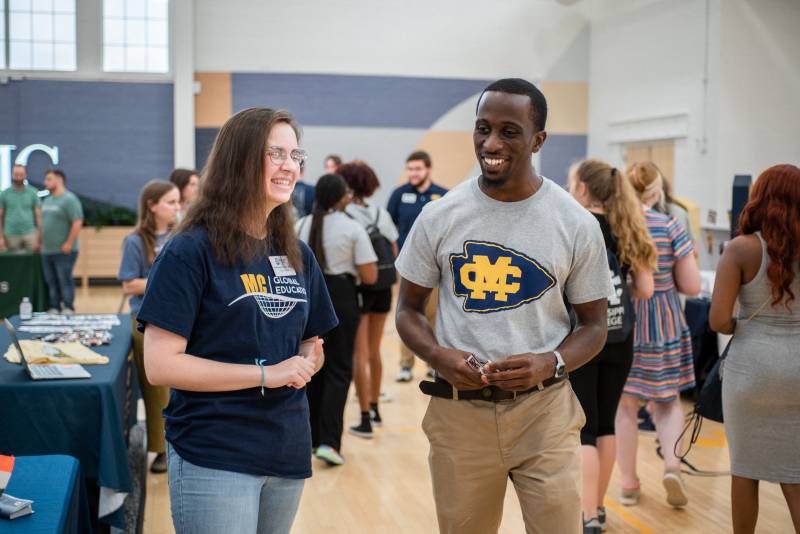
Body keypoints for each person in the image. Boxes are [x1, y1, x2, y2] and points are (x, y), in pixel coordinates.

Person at [396, 78, 611, 534]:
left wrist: (550, 362)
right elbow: (408, 310)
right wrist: (437, 355)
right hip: (459, 416)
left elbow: (594, 325)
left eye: (509, 131)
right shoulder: (440, 215)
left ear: (538, 140)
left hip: (545, 413)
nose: (491, 143)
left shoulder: (575, 222)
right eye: (482, 128)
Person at [137, 108, 338, 534]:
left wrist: (306, 359)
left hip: (285, 448)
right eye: (275, 153)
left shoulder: (297, 253)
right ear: (239, 160)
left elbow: (311, 345)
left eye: (295, 155)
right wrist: (266, 373)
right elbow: (160, 366)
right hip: (215, 450)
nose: (290, 165)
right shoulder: (189, 251)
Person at [709, 164, 800, 534]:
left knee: (744, 470)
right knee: (795, 472)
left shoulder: (741, 249)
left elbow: (718, 320)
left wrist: (743, 326)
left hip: (753, 370)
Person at [567, 159, 656, 533]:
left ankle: (586, 516)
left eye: (572, 183)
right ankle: (598, 507)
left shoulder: (575, 226)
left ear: (583, 189)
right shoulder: (628, 228)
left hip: (583, 338)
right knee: (606, 425)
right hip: (621, 339)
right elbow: (647, 289)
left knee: (584, 430)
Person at [615, 161, 700, 509]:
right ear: (656, 191)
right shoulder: (672, 226)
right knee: (667, 403)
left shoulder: (618, 226)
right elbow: (692, 286)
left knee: (625, 406)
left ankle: (628, 484)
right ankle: (672, 466)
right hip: (665, 321)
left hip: (628, 320)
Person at [296, 174, 378, 466]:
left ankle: (308, 438)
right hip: (341, 297)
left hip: (304, 296)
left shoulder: (300, 225)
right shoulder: (352, 228)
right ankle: (329, 443)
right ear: (341, 197)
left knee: (308, 366)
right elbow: (370, 276)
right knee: (339, 370)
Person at [118, 180, 180, 473]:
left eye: (178, 202)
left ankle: (180, 441)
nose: (177, 208)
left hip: (181, 321)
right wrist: (167, 281)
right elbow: (129, 285)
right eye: (170, 202)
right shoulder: (134, 241)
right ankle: (161, 448)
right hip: (145, 321)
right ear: (151, 206)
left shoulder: (181, 236)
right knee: (157, 390)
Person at [339, 160, 399, 438]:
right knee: (375, 351)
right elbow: (394, 250)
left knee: (358, 354)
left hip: (360, 288)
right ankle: (375, 408)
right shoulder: (380, 213)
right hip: (384, 288)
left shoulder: (344, 214)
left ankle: (363, 417)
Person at [387, 150, 448, 382]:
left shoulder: (442, 195)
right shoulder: (399, 195)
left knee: (433, 315)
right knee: (407, 313)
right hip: (408, 267)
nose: (413, 173)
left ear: (428, 170)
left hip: (436, 266)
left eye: (417, 169)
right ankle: (405, 365)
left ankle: (434, 364)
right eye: (410, 169)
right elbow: (388, 226)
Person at [40, 169, 84, 314]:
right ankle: (54, 306)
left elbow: (77, 222)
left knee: (64, 279)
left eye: (49, 179)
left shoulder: (69, 199)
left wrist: (69, 243)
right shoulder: (47, 200)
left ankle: (68, 307)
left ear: (59, 180)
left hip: (65, 250)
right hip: (47, 249)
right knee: (51, 281)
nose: (45, 182)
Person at [0, 164, 41, 252]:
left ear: (25, 175)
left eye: (21, 175)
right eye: (16, 174)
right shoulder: (4, 194)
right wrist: (1, 238)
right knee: (12, 263)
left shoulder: (33, 193)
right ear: (12, 175)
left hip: (30, 234)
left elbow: (38, 216)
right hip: (10, 235)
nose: (18, 177)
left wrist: (39, 237)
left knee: (31, 262)